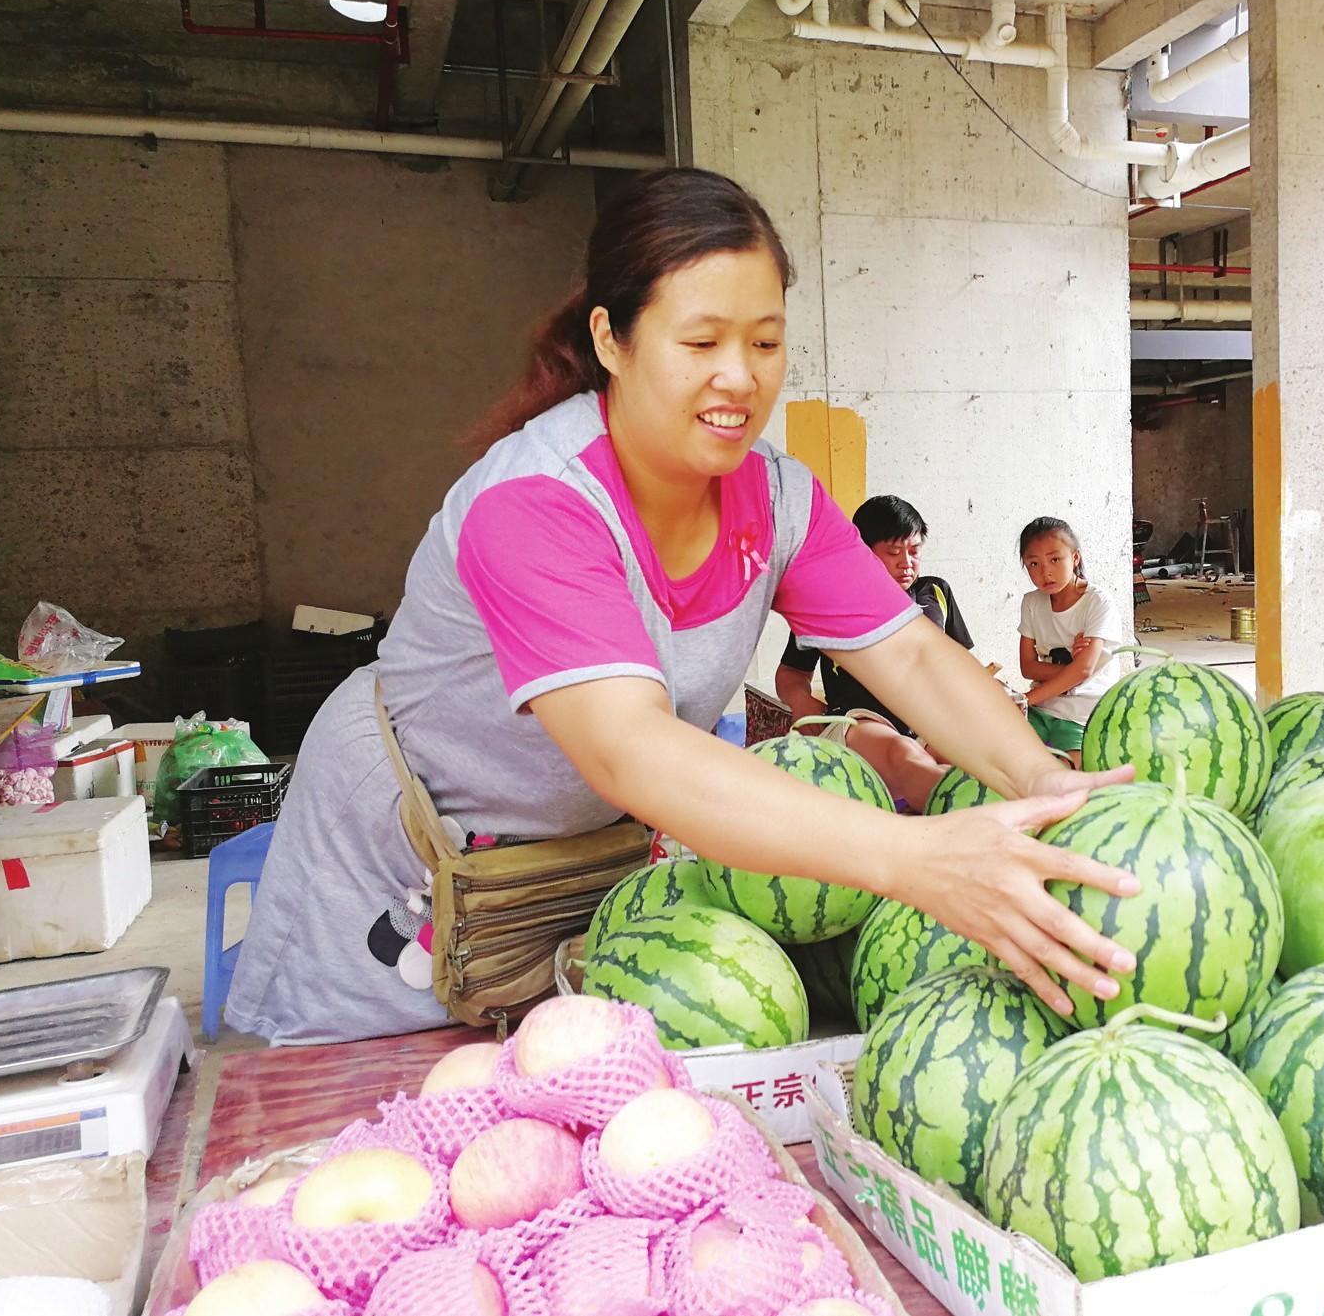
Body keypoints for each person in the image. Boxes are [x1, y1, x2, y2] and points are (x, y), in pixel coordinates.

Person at [224, 169, 1137, 1045]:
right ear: (612, 340)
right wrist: (921, 859)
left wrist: (1037, 775)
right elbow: (633, 746)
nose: (740, 377)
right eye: (701, 343)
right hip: (396, 881)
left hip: (568, 874)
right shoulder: (537, 502)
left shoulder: (778, 499)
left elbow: (909, 654)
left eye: (767, 342)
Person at [775, 495, 974, 810]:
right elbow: (791, 673)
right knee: (905, 757)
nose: (906, 563)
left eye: (915, 550)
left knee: (974, 759)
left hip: (929, 717)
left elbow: (962, 666)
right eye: (893, 552)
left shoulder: (935, 591)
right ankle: (974, 817)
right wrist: (800, 700)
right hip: (860, 722)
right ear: (862, 552)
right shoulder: (827, 601)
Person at [1017, 516, 1124, 766]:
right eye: (1033, 564)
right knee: (998, 757)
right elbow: (1027, 667)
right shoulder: (1032, 603)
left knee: (1062, 775)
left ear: (1074, 558)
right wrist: (1071, 670)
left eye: (1055, 559)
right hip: (1042, 707)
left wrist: (1023, 700)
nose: (1046, 572)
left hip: (1083, 713)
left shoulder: (1098, 602)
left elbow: (1085, 669)